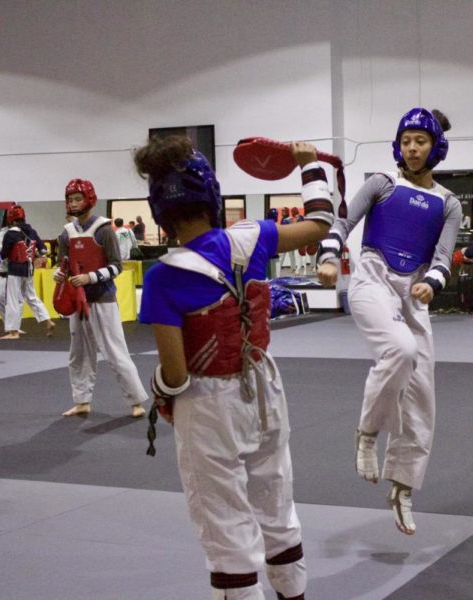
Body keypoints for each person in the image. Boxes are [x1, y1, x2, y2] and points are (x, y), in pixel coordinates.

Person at [135, 135, 332, 600]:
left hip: (208, 405)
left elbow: (177, 374)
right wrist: (309, 165)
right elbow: (322, 222)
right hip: (265, 386)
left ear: (160, 210)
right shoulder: (255, 236)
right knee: (277, 505)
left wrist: (159, 390)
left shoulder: (163, 277)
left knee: (224, 524)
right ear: (211, 196)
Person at [316, 108, 461, 535]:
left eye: (421, 141)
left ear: (436, 147)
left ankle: (402, 487)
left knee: (421, 395)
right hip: (372, 282)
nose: (412, 148)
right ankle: (366, 433)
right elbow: (343, 221)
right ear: (397, 145)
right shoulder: (380, 184)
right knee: (400, 350)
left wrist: (432, 284)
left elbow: (443, 257)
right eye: (406, 140)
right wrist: (328, 257)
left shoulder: (448, 203)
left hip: (414, 293)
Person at [54, 179, 148, 418]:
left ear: (89, 199)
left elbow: (117, 267)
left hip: (103, 298)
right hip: (78, 301)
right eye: (70, 199)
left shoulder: (105, 229)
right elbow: (62, 264)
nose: (74, 204)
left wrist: (90, 278)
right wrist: (60, 273)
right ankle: (81, 400)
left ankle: (136, 400)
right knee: (78, 354)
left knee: (116, 352)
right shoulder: (66, 233)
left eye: (78, 199)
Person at [0, 205, 56, 339]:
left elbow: (4, 255)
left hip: (15, 269)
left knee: (12, 299)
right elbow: (43, 250)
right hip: (29, 269)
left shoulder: (11, 233)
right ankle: (48, 320)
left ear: (11, 219)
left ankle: (13, 331)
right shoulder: (32, 231)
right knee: (32, 297)